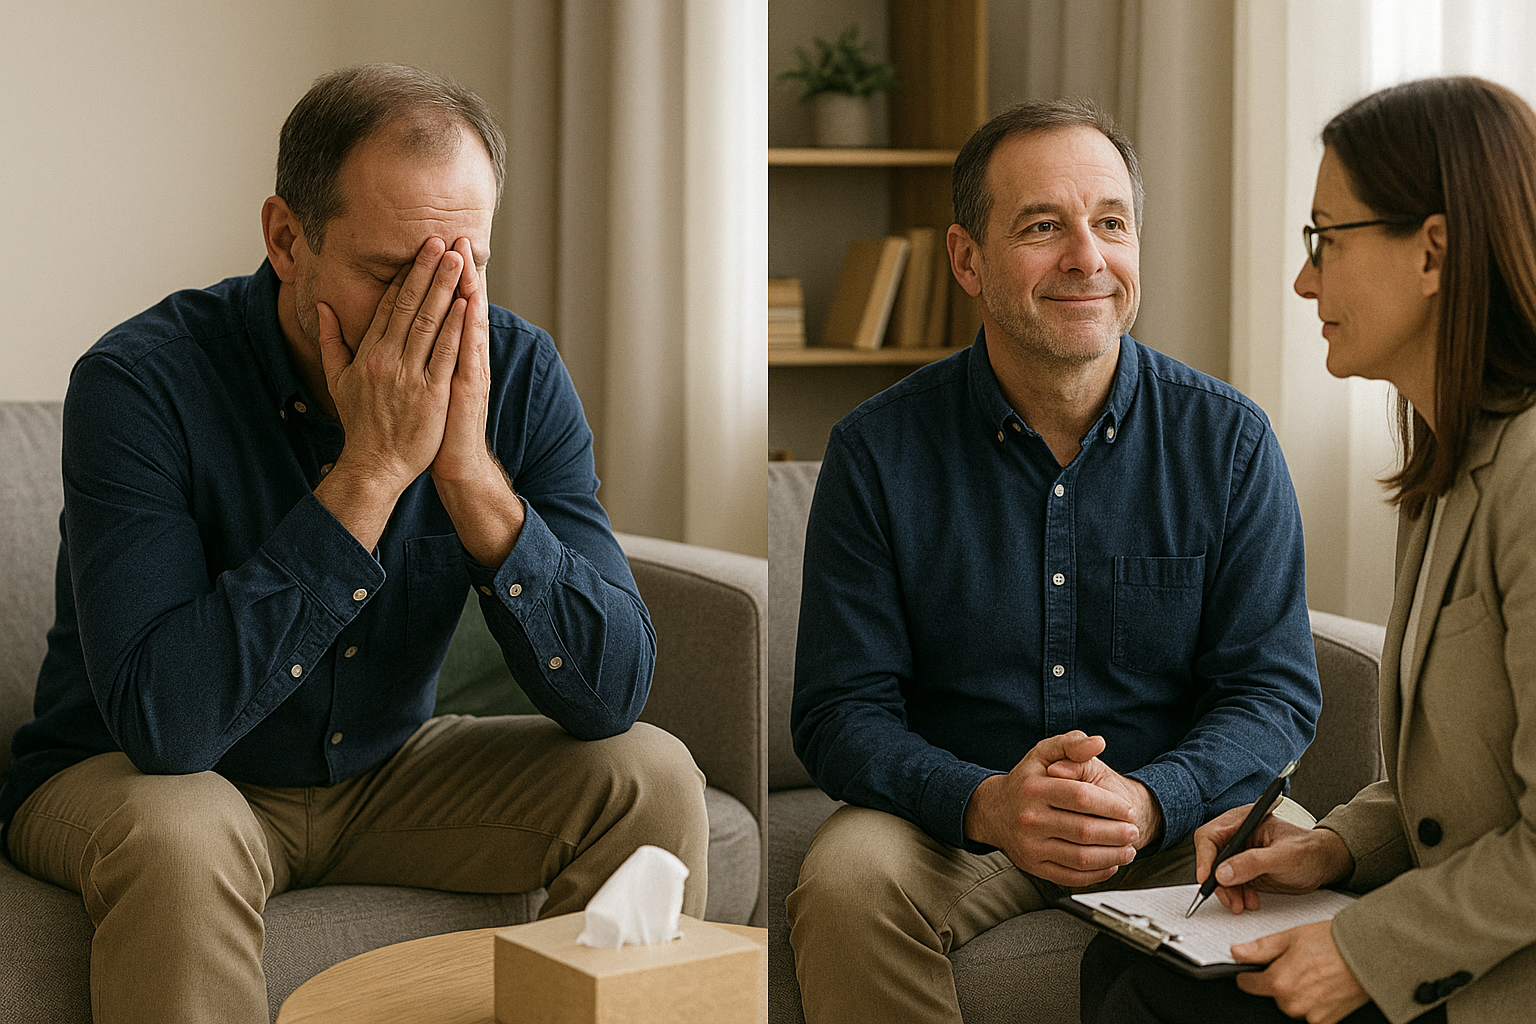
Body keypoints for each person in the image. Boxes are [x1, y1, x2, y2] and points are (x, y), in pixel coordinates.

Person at [0, 63, 709, 1024]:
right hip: (142, 776)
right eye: (392, 272)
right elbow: (165, 727)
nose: (438, 309)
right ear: (287, 239)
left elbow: (613, 693)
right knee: (183, 831)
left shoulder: (520, 369)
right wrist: (369, 474)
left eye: (464, 266)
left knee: (652, 776)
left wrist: (468, 478)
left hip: (383, 767)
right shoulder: (140, 383)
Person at [786, 97, 1323, 1023]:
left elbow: (1272, 691)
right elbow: (840, 712)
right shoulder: (875, 453)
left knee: (1296, 864)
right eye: (1043, 227)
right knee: (844, 880)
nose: (1087, 257)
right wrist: (987, 804)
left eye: (1110, 223)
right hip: (955, 830)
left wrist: (1158, 800)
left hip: (1169, 820)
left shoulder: (1228, 442)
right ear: (967, 259)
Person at [1083, 75, 1536, 1024]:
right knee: (1132, 971)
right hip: (1456, 933)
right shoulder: (1446, 464)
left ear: (1435, 251)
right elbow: (1458, 790)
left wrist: (1364, 952)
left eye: (1325, 239)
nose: (1304, 279)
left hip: (1494, 972)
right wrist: (1330, 849)